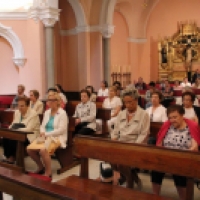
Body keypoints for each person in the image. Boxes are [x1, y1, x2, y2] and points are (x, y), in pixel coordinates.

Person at [151, 105, 200, 200]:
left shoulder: (191, 126)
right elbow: (159, 142)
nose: (172, 120)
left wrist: (180, 156)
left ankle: (184, 198)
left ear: (182, 115)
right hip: (166, 156)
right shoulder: (167, 125)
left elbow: (194, 147)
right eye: (170, 118)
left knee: (178, 171)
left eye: (175, 117)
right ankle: (155, 196)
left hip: (184, 158)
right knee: (156, 169)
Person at [111, 88, 150, 186]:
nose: (128, 105)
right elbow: (115, 131)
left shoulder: (144, 114)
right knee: (110, 157)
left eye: (130, 102)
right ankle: (129, 178)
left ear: (136, 100)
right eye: (126, 102)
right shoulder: (122, 114)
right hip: (121, 144)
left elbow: (144, 134)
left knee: (123, 162)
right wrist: (114, 140)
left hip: (136, 147)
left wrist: (133, 147)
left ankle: (129, 182)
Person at [27, 91, 68, 178]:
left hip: (57, 138)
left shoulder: (62, 113)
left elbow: (61, 130)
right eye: (49, 100)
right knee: (29, 149)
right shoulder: (47, 112)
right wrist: (42, 132)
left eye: (53, 100)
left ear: (57, 101)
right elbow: (42, 126)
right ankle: (40, 166)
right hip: (45, 136)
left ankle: (48, 172)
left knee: (43, 150)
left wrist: (47, 133)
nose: (50, 102)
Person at [3, 97, 40, 164]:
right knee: (6, 136)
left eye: (22, 106)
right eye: (19, 106)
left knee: (14, 138)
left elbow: (29, 129)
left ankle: (13, 158)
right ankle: (8, 156)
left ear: (28, 106)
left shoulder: (33, 114)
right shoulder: (17, 112)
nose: (20, 108)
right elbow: (13, 123)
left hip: (29, 135)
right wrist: (9, 130)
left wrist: (15, 130)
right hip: (18, 133)